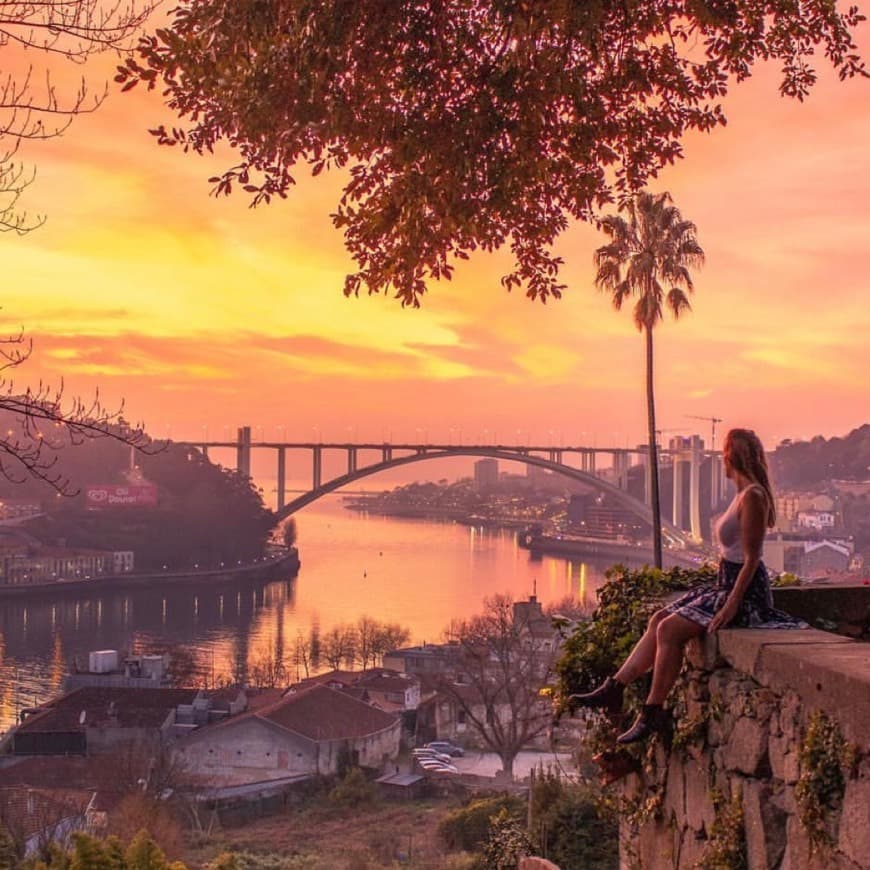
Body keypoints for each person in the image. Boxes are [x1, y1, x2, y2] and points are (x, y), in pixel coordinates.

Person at [570, 428, 806, 744]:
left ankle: (651, 713)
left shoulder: (753, 496)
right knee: (658, 620)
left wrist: (733, 603)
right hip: (726, 581)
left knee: (669, 631)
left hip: (743, 591)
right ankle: (614, 688)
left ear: (730, 457)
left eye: (723, 453)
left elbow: (752, 559)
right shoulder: (742, 494)